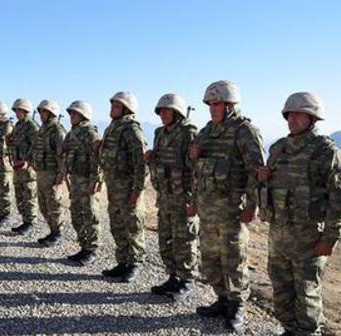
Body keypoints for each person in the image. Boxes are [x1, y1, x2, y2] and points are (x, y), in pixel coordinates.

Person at [258, 92, 341, 336]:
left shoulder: (325, 152)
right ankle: (289, 330)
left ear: (313, 118)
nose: (292, 119)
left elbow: (337, 198)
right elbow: (267, 188)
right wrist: (262, 179)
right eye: (289, 114)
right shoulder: (279, 149)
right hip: (279, 236)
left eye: (298, 114)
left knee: (306, 294)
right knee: (281, 292)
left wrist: (330, 238)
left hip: (309, 240)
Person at [190, 80, 264, 331]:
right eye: (210, 104)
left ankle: (237, 306)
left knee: (234, 259)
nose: (212, 108)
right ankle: (221, 300)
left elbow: (257, 172)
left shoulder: (245, 132)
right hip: (208, 210)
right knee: (210, 258)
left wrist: (251, 206)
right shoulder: (207, 132)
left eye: (217, 103)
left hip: (232, 211)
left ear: (230, 105)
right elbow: (197, 172)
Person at [144, 93, 199, 301]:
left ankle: (186, 281)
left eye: (166, 111)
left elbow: (195, 168)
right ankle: (173, 276)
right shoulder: (160, 133)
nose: (162, 114)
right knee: (165, 238)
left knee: (184, 239)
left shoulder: (188, 133)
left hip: (183, 196)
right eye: (161, 111)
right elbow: (158, 159)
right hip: (165, 195)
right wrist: (151, 158)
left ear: (177, 112)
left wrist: (194, 201)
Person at [99, 91, 148, 283]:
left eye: (117, 106)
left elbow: (141, 164)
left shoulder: (131, 130)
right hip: (114, 187)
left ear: (127, 109)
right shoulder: (112, 128)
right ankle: (123, 262)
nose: (112, 109)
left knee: (133, 226)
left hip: (128, 188)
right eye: (112, 105)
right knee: (117, 225)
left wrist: (137, 191)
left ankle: (134, 264)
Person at [60, 100, 102, 265]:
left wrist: (95, 182)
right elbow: (64, 151)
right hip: (75, 179)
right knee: (76, 214)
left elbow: (98, 160)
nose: (71, 116)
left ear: (83, 115)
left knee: (90, 215)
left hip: (88, 180)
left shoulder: (91, 133)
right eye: (70, 113)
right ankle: (84, 246)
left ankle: (92, 249)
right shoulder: (72, 133)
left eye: (75, 114)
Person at [30, 99, 67, 246]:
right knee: (43, 205)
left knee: (54, 205)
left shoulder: (57, 131)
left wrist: (61, 175)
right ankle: (52, 231)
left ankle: (58, 233)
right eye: (41, 111)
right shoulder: (43, 129)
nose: (41, 114)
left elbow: (62, 155)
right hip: (41, 172)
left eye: (44, 111)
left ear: (51, 113)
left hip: (53, 173)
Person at [9, 98, 39, 235]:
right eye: (16, 110)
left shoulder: (32, 126)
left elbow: (36, 146)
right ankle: (25, 221)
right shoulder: (18, 125)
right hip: (18, 165)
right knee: (20, 195)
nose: (17, 113)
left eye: (19, 110)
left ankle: (30, 222)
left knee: (29, 195)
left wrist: (29, 161)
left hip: (28, 167)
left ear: (25, 111)